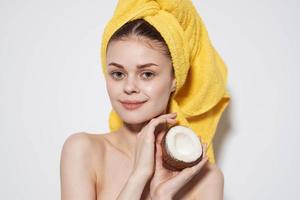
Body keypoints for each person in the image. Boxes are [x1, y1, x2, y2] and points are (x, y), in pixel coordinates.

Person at [60, 19, 224, 200]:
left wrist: (161, 197)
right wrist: (138, 176)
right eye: (118, 74)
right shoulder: (83, 150)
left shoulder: (206, 178)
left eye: (147, 74)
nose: (129, 87)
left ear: (174, 80)